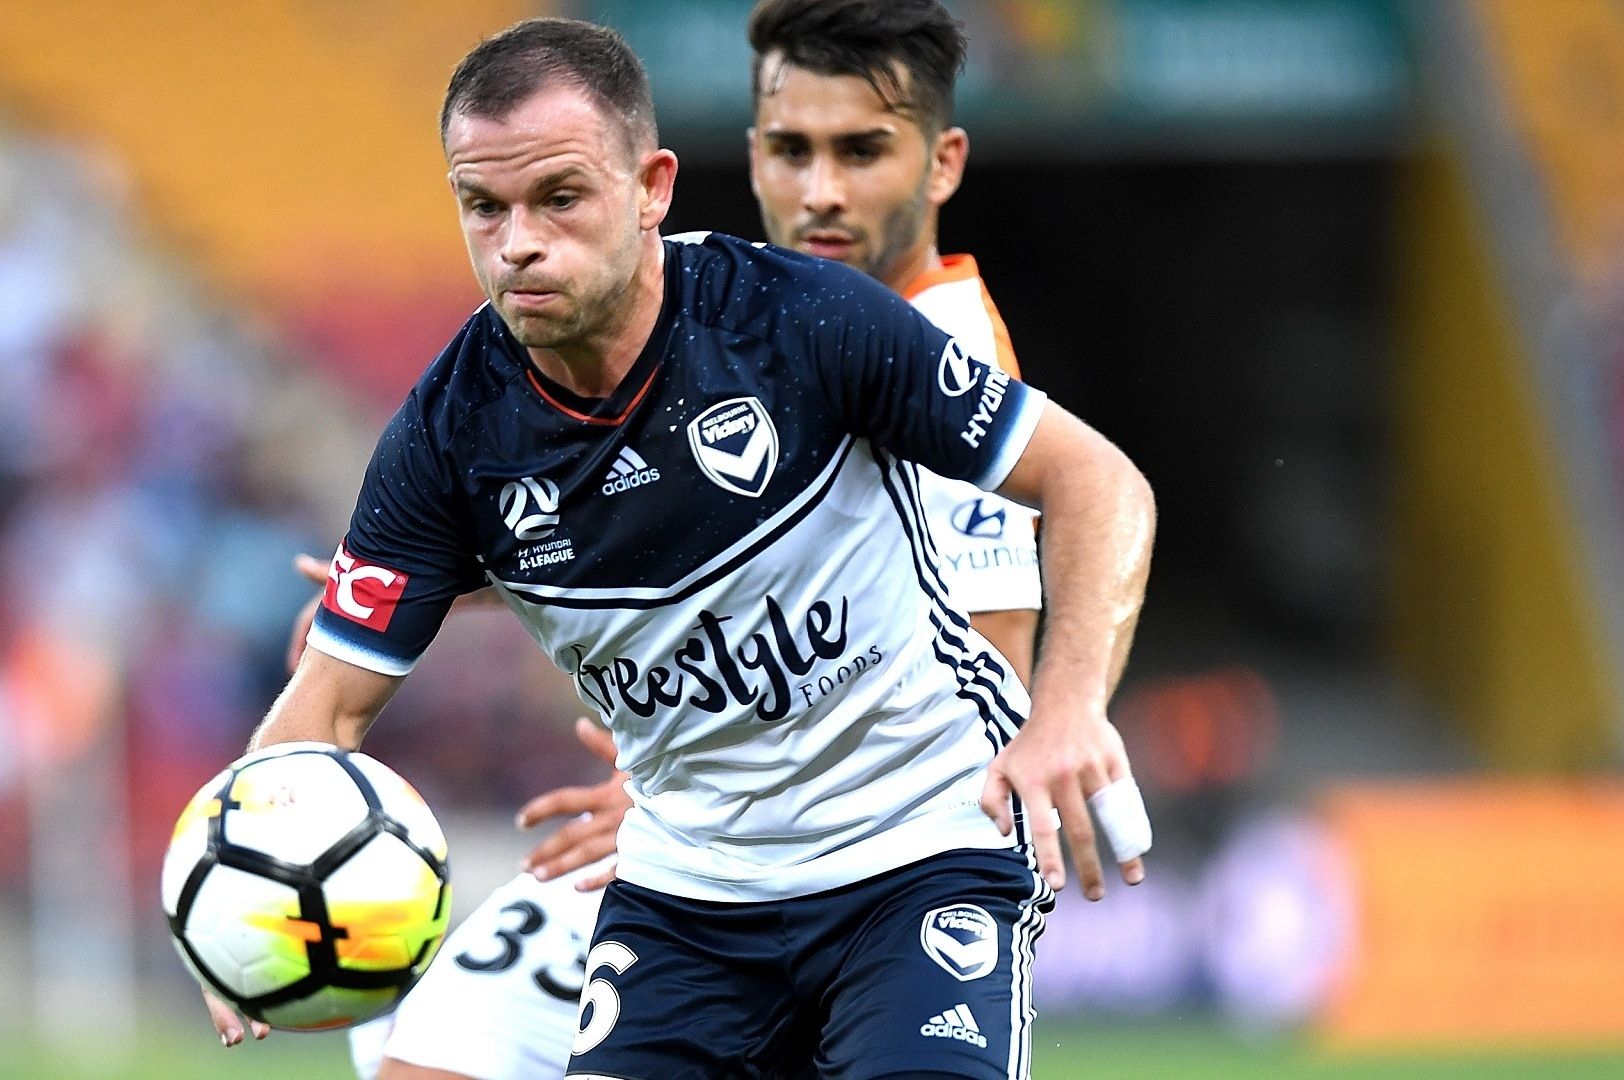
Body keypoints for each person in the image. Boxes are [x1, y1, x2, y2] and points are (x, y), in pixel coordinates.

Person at [210, 14, 1153, 1078]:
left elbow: (1097, 481)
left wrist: (1067, 711)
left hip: (915, 853)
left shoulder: (812, 323)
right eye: (485, 206)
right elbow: (321, 707)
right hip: (690, 893)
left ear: (652, 187)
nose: (519, 241)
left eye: (559, 198)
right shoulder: (444, 438)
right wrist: (238, 872)